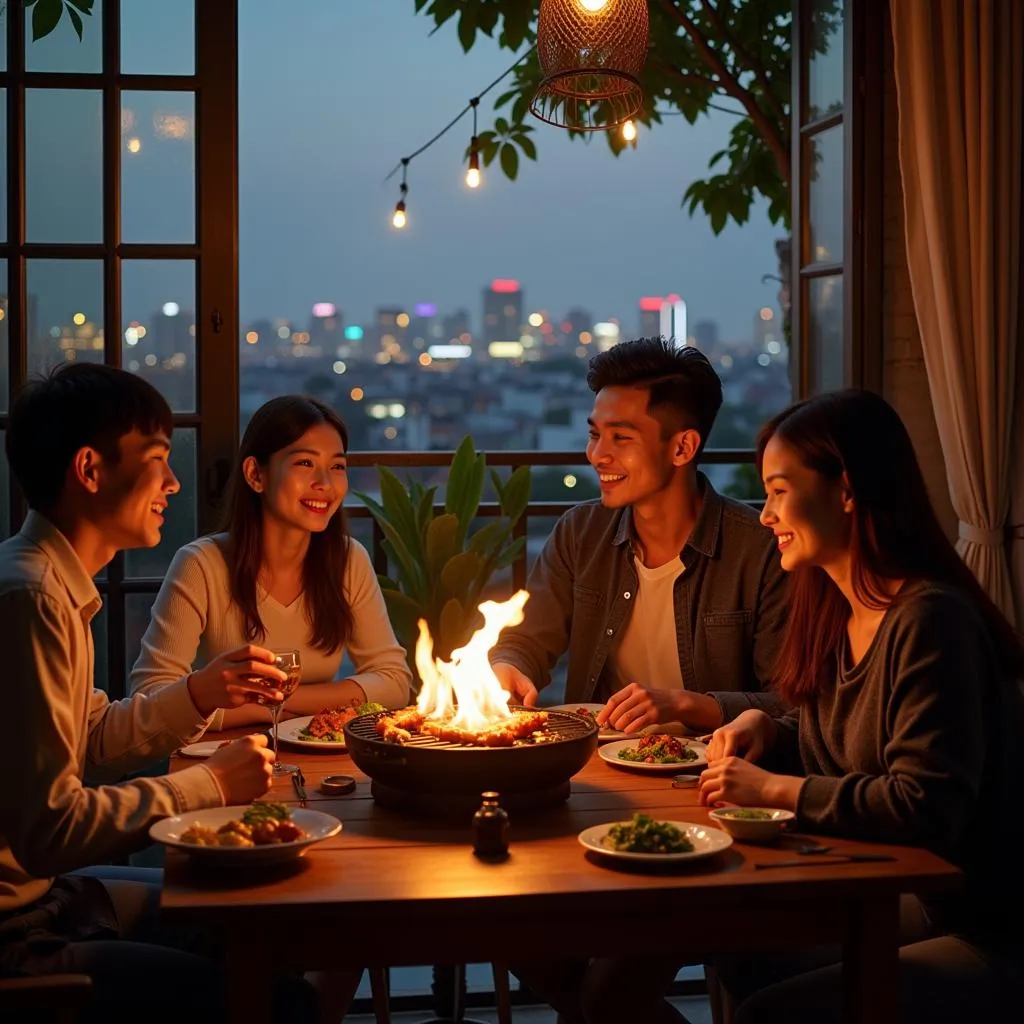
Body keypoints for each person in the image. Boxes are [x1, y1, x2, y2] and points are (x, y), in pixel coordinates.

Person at [700, 390, 1024, 1024]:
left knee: (771, 1011)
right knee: (736, 947)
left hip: (981, 919)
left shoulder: (930, 621)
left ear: (846, 490)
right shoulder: (837, 608)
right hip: (913, 893)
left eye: (778, 491)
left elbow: (923, 803)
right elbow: (851, 740)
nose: (764, 516)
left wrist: (774, 789)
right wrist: (767, 727)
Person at [0, 364, 312, 1022]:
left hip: (44, 893)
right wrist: (211, 787)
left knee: (245, 909)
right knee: (279, 993)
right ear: (90, 470)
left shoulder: (46, 582)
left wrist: (199, 693)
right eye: (158, 461)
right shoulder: (31, 598)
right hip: (19, 932)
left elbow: (88, 738)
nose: (173, 483)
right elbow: (49, 830)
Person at [495, 338, 788, 1024]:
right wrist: (506, 673)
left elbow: (795, 703)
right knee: (505, 923)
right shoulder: (580, 535)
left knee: (605, 994)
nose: (597, 455)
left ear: (682, 448)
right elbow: (525, 639)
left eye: (619, 439)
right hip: (593, 798)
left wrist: (693, 705)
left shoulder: (760, 550)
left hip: (713, 814)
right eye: (595, 435)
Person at [131, 394, 412, 733]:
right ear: (255, 475)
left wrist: (281, 702)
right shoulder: (201, 565)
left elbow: (395, 682)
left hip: (315, 753)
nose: (325, 483)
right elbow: (152, 696)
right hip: (221, 761)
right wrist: (262, 713)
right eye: (305, 463)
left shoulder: (349, 559)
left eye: (337, 466)